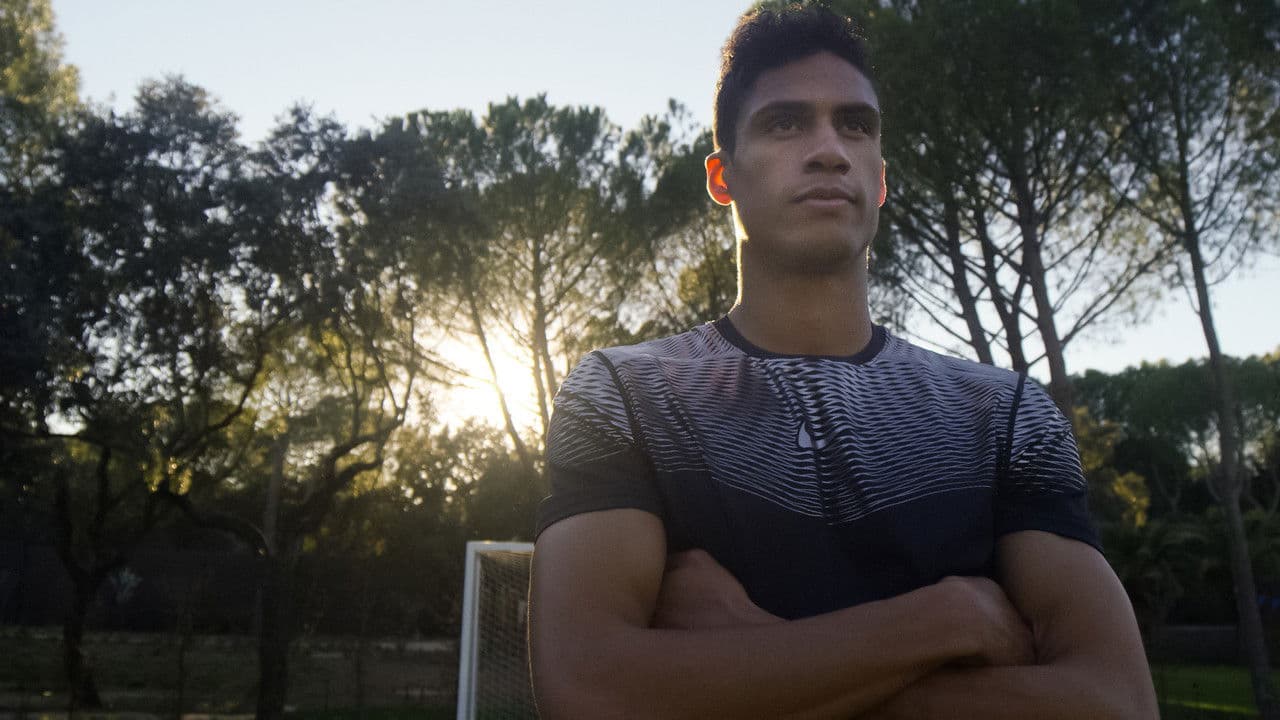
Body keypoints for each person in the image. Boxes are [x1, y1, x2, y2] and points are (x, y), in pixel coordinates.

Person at [528, 6, 1158, 719]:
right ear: (723, 177)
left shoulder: (1007, 415)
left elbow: (1117, 703)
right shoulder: (624, 394)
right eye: (785, 123)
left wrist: (749, 651)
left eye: (855, 125)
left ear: (880, 179)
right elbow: (588, 690)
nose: (829, 149)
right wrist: (948, 618)